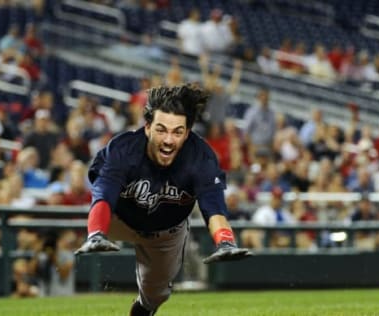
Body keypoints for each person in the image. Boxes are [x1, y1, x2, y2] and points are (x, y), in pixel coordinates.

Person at [75, 83, 252, 315]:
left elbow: (214, 207)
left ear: (187, 133)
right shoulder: (123, 149)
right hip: (118, 219)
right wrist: (96, 233)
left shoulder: (200, 157)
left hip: (166, 232)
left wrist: (225, 241)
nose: (169, 140)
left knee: (155, 296)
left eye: (177, 132)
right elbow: (103, 196)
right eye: (161, 129)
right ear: (147, 127)